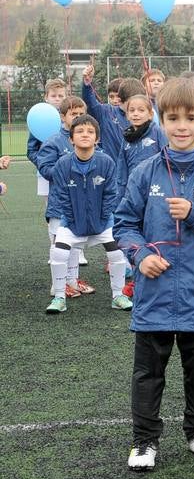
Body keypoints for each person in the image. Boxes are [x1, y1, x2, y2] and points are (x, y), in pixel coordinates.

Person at [114, 77, 194, 471]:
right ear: (161, 121)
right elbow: (124, 224)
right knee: (148, 373)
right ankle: (144, 440)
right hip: (154, 292)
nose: (181, 126)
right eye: (172, 118)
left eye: (191, 118)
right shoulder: (145, 172)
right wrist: (140, 256)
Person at [45, 114, 131, 315]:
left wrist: (100, 221)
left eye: (90, 131)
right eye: (80, 131)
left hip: (102, 222)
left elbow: (112, 193)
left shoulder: (106, 162)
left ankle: (117, 295)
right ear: (71, 139)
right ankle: (59, 296)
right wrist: (76, 222)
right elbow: (60, 196)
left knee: (117, 252)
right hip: (72, 223)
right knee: (58, 252)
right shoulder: (62, 165)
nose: (85, 134)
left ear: (97, 139)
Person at [37, 95, 94, 297]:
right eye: (73, 114)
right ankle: (58, 286)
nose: (78, 117)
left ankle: (72, 281)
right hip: (60, 204)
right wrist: (71, 168)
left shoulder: (89, 138)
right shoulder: (53, 141)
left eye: (81, 113)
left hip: (82, 204)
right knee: (60, 248)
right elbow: (45, 169)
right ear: (63, 117)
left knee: (76, 245)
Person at [28, 78, 67, 259]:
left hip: (70, 173)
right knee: (52, 213)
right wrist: (45, 165)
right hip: (46, 176)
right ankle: (55, 249)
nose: (57, 99)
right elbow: (31, 150)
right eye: (53, 95)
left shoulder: (70, 117)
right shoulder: (39, 119)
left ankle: (76, 250)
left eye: (61, 95)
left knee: (74, 208)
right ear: (46, 97)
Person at [115, 92, 167, 200]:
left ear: (150, 115)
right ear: (127, 115)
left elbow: (167, 158)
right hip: (132, 189)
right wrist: (120, 195)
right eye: (132, 110)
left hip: (155, 189)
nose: (136, 114)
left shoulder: (157, 132)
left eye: (141, 110)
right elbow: (122, 168)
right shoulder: (126, 139)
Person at [82, 65, 130, 161]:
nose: (115, 100)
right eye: (111, 97)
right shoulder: (105, 111)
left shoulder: (136, 114)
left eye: (118, 96)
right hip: (110, 166)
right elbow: (90, 102)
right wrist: (87, 84)